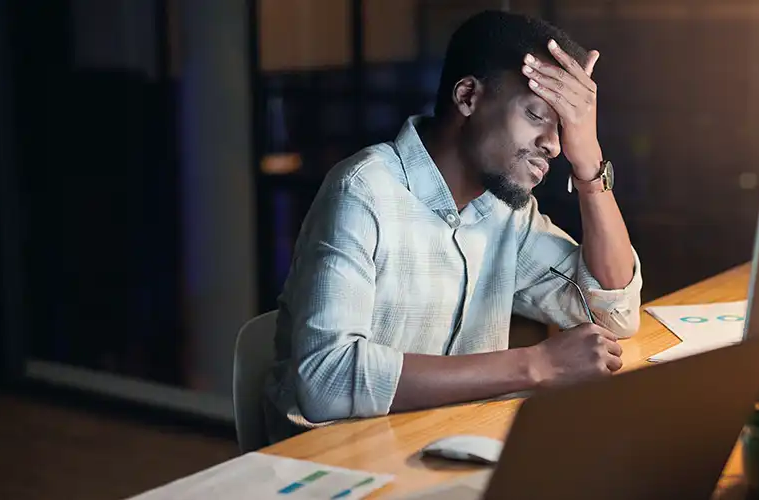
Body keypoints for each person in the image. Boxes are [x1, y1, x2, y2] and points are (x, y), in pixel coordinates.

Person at [264, 10, 643, 439]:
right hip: (340, 466)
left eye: (565, 128)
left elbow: (612, 312)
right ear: (467, 97)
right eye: (537, 116)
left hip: (447, 450)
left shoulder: (506, 212)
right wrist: (535, 365)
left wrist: (589, 161)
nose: (555, 146)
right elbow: (326, 380)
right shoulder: (364, 190)